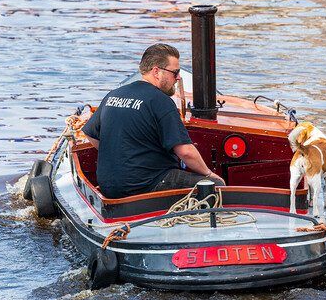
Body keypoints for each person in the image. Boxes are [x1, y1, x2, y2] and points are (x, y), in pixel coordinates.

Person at [82, 43, 224, 198]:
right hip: (148, 185)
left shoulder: (113, 95)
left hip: (110, 187)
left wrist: (119, 154)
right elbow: (186, 152)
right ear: (156, 71)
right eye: (175, 72)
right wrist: (209, 173)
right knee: (215, 186)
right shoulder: (160, 101)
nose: (178, 78)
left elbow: (90, 134)